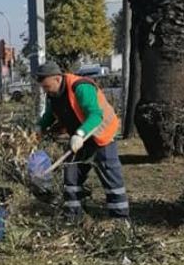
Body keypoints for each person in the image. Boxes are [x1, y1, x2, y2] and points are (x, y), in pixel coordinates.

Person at [34, 62, 129, 220]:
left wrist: (80, 134)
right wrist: (40, 127)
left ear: (57, 79)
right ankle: (73, 217)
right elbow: (51, 114)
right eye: (43, 87)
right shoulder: (54, 94)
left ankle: (120, 220)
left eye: (46, 86)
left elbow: (95, 115)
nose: (45, 90)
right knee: (71, 178)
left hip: (101, 137)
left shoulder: (81, 87)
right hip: (78, 140)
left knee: (112, 182)